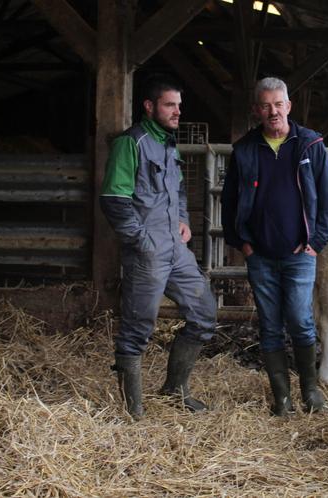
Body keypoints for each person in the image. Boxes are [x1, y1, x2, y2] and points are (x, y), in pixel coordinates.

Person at [221, 77, 328, 416]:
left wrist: (316, 242)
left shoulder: (309, 145)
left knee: (300, 320)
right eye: (265, 105)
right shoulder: (245, 150)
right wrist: (241, 242)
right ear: (256, 110)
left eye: (278, 104)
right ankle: (282, 398)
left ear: (288, 106)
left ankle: (311, 392)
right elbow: (229, 202)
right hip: (259, 255)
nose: (272, 111)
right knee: (269, 324)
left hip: (299, 254)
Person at [99, 74, 217, 420]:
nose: (177, 111)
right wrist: (140, 240)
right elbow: (114, 200)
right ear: (149, 107)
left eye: (179, 106)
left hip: (175, 248)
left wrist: (182, 218)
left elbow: (178, 190)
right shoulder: (130, 144)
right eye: (170, 105)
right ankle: (133, 411)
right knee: (138, 326)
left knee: (205, 313)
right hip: (147, 250)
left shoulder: (168, 143)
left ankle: (176, 389)